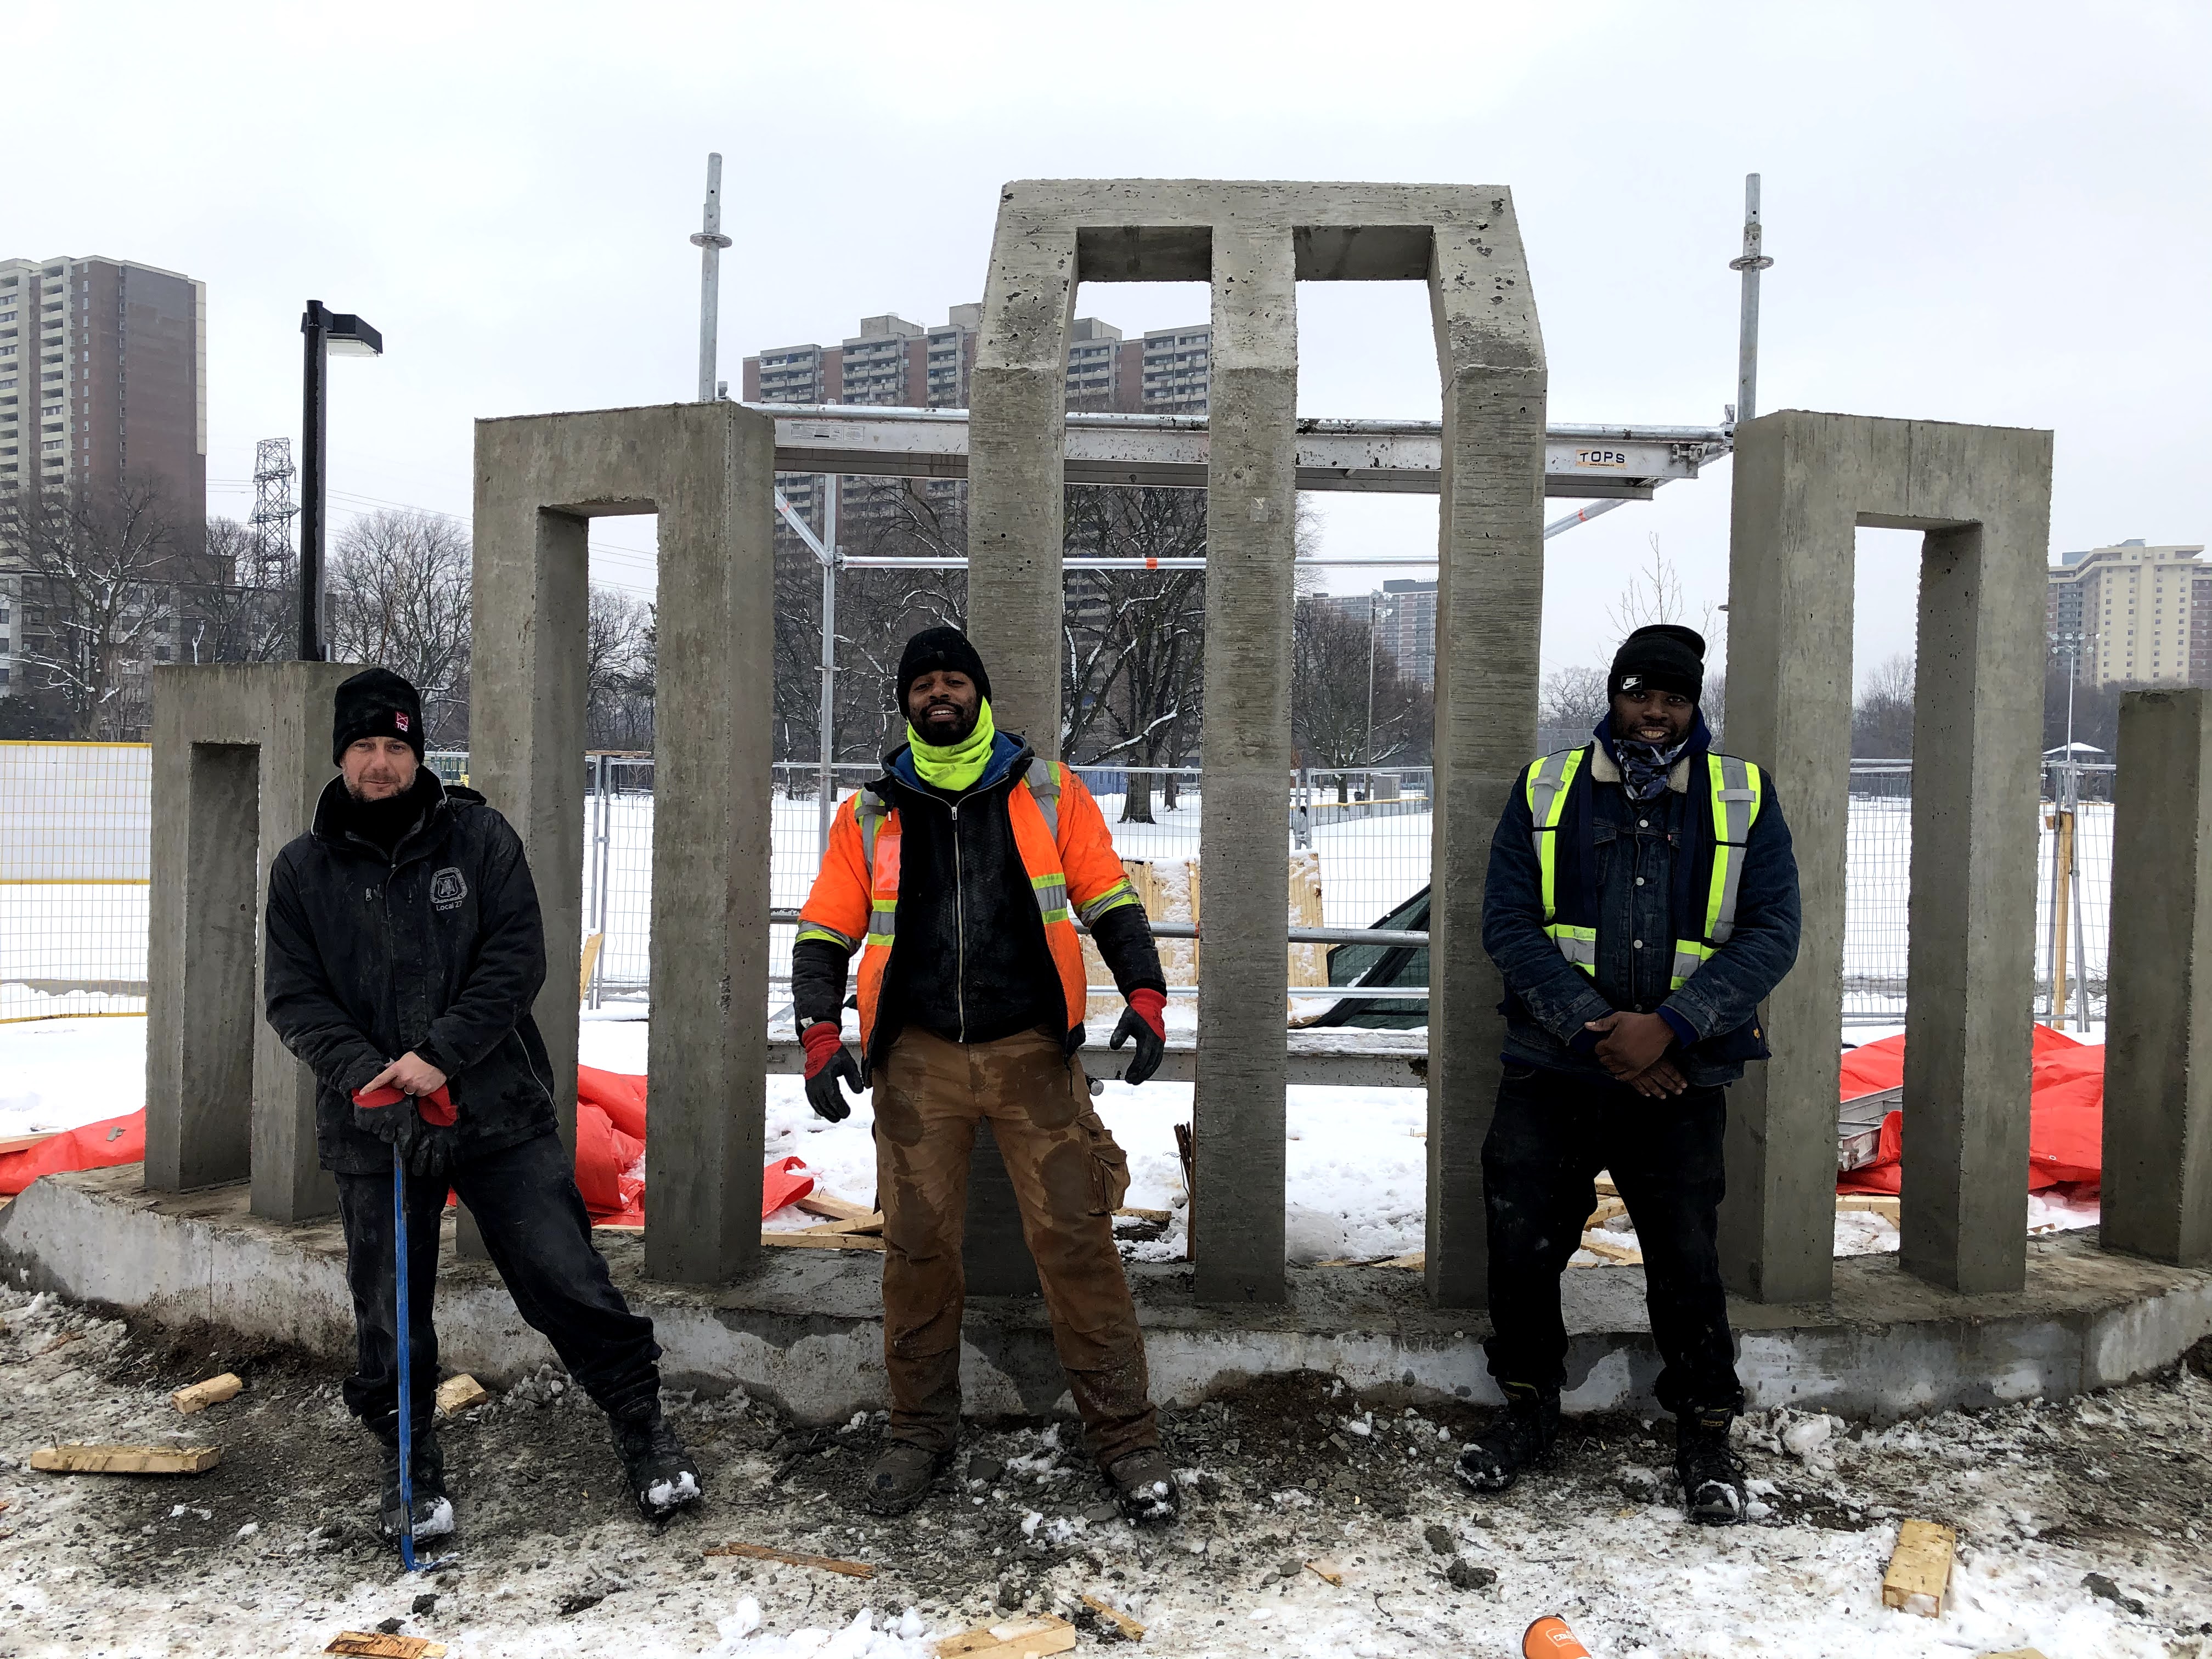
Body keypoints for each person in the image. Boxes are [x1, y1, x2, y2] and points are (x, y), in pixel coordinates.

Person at [263, 667, 702, 1542]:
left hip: (495, 1107)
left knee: (565, 1275)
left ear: (417, 752)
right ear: (340, 757)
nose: (381, 763)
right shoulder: (302, 870)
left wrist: (438, 1057)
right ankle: (410, 1467)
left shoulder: (479, 838)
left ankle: (642, 1427)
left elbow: (517, 960)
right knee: (388, 1303)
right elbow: (295, 997)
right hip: (374, 1125)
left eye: (395, 746)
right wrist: (376, 1080)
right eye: (365, 748)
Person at [792, 627, 1178, 1522]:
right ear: (906, 701)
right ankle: (918, 1433)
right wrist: (818, 1029)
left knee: (1078, 1247)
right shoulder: (874, 811)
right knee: (918, 1254)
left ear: (980, 693)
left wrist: (1147, 993)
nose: (939, 694)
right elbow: (823, 930)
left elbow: (1110, 898)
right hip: (918, 1063)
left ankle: (1127, 1438)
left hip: (1033, 1055)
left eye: (953, 680)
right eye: (923, 682)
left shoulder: (1048, 791)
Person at [1465, 624, 1801, 1523]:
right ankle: (1530, 1408)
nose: (1656, 713)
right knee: (1522, 1242)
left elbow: (1774, 932)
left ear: (1696, 706)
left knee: (1686, 1258)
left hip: (1681, 1078)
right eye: (1640, 693)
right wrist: (1599, 1034)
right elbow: (1507, 923)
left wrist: (1673, 1031)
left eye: (1675, 698)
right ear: (1614, 695)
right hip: (1554, 1069)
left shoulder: (1742, 796)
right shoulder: (1547, 787)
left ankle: (1705, 1428)